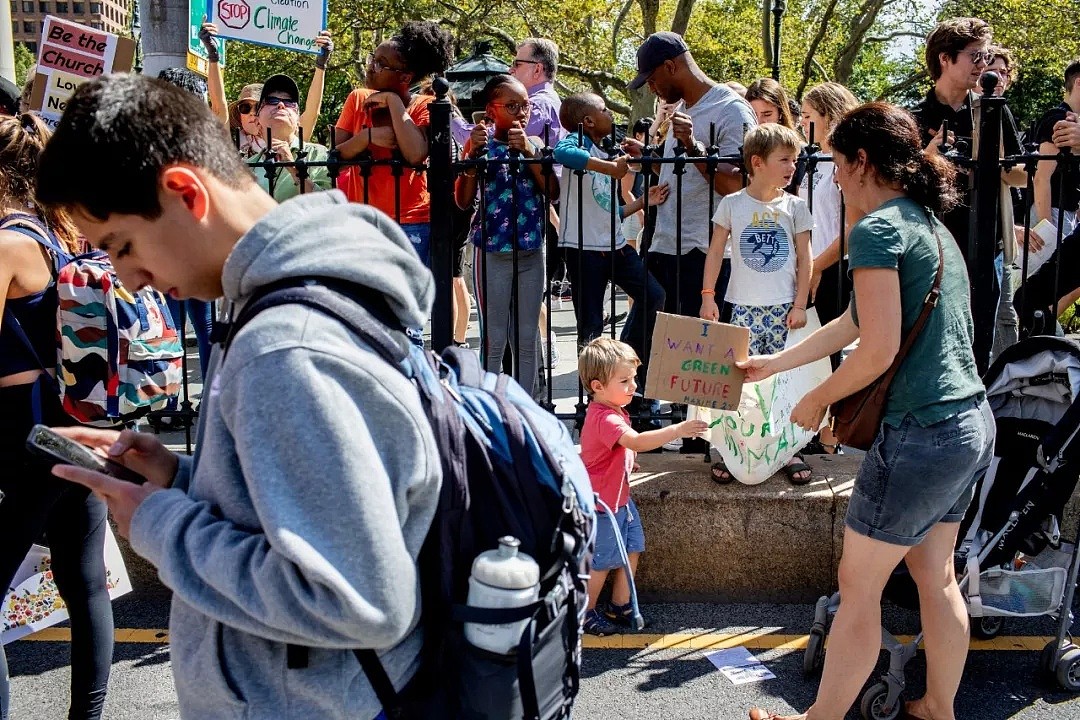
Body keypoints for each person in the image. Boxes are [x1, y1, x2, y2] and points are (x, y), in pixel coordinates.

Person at [36, 74, 441, 720]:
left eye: (122, 246)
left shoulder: (285, 345)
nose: (129, 279)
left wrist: (161, 524)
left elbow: (355, 596)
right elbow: (312, 505)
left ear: (184, 192)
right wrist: (182, 479)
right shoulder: (280, 300)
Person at [744, 103, 995, 720]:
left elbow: (876, 348)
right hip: (967, 426)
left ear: (862, 162)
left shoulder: (876, 230)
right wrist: (776, 364)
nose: (830, 177)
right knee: (935, 577)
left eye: (834, 161)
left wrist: (813, 398)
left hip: (920, 434)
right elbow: (858, 321)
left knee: (859, 588)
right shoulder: (927, 225)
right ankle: (939, 706)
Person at [0, 113, 114, 720]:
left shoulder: (6, 244)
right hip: (73, 424)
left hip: (20, 431)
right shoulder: (58, 234)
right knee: (85, 583)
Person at [628, 31, 756, 453]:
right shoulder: (680, 108)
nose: (651, 88)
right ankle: (644, 423)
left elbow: (740, 184)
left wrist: (694, 147)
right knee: (642, 348)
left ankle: (702, 443)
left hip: (703, 250)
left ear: (672, 67)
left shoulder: (731, 109)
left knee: (700, 359)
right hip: (666, 244)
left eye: (651, 78)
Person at [700, 123, 814, 484]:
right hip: (742, 307)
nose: (792, 166)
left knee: (780, 381)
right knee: (738, 380)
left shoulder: (795, 206)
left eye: (794, 160)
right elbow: (716, 251)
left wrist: (799, 304)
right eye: (784, 159)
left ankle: (784, 449)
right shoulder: (732, 204)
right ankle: (727, 445)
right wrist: (708, 296)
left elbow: (805, 258)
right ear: (757, 162)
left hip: (782, 309)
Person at [577, 337, 707, 635]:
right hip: (604, 507)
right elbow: (634, 440)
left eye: (633, 378)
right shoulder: (606, 417)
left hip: (619, 501)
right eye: (624, 380)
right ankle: (585, 612)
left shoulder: (613, 410)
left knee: (632, 548)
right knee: (602, 562)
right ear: (597, 387)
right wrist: (678, 429)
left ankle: (620, 604)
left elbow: (618, 448)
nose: (633, 385)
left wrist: (626, 461)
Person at [553, 92, 668, 424]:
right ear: (587, 121)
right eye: (603, 109)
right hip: (583, 250)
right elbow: (564, 154)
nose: (609, 114)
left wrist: (643, 201)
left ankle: (623, 359)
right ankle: (595, 398)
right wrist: (612, 168)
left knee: (654, 294)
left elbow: (610, 210)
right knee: (590, 323)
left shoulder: (605, 152)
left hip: (614, 245)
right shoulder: (574, 144)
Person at [456, 75, 559, 398]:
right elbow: (462, 199)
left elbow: (553, 191)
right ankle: (490, 408)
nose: (521, 113)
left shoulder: (536, 146)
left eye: (525, 105)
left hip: (531, 250)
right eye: (512, 106)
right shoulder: (480, 145)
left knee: (526, 337)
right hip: (491, 252)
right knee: (494, 337)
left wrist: (529, 152)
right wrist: (473, 155)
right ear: (491, 109)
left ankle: (525, 409)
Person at [334, 20, 454, 265]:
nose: (371, 68)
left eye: (381, 64)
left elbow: (415, 154)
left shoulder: (422, 106)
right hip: (364, 219)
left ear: (406, 76)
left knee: (409, 301)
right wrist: (367, 137)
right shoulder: (357, 99)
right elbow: (335, 158)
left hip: (411, 223)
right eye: (372, 59)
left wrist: (393, 102)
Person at [200, 21, 333, 145]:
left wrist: (321, 65)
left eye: (257, 107)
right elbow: (218, 107)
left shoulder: (293, 141)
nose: (252, 113)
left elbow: (312, 112)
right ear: (239, 116)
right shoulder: (232, 146)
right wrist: (213, 56)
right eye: (245, 107)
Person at [246, 74, 333, 201]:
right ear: (257, 120)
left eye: (289, 102)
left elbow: (328, 205)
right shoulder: (247, 166)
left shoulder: (318, 154)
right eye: (271, 101)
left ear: (298, 120)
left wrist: (293, 169)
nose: (281, 104)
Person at [1032, 59, 1080, 235]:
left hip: (1068, 213)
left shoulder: (1074, 122)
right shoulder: (1057, 119)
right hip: (1053, 213)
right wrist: (1047, 228)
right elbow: (1041, 178)